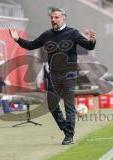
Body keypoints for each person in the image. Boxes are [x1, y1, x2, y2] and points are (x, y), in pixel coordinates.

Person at [9, 7, 96, 145]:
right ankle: (65, 128)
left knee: (69, 106)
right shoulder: (47, 35)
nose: (53, 20)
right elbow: (31, 45)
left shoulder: (73, 33)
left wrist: (92, 41)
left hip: (69, 75)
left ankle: (69, 136)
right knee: (52, 105)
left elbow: (89, 46)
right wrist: (17, 39)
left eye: (56, 17)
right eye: (52, 18)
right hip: (53, 76)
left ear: (63, 18)